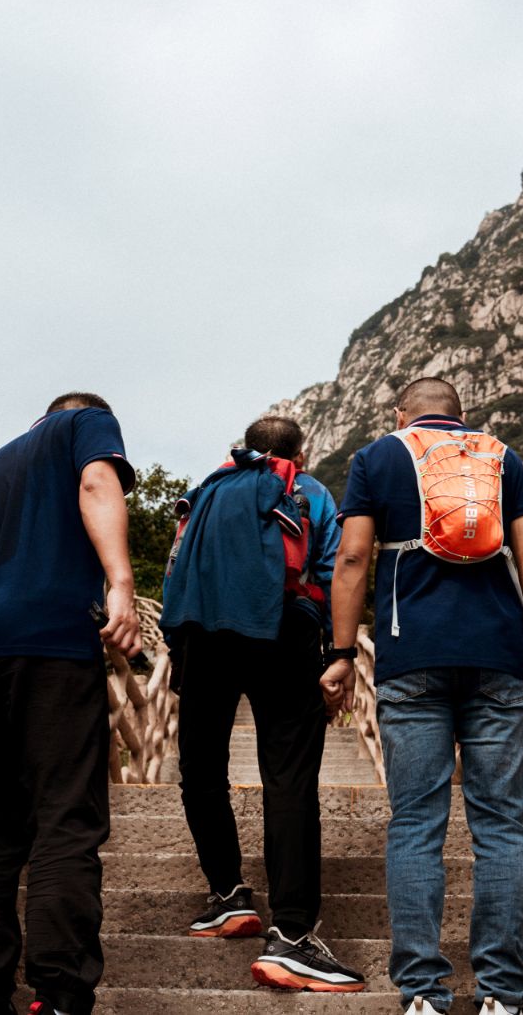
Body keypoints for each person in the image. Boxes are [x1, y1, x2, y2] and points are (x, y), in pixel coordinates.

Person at [324, 377, 523, 1015]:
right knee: (502, 826)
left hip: (412, 659)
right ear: (462, 415)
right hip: (498, 658)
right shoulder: (501, 456)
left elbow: (352, 559)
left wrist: (341, 653)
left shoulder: (377, 457)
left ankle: (425, 995)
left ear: (401, 414)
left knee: (416, 825)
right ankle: (502, 996)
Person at [0, 392, 141, 1015]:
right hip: (51, 646)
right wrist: (121, 584)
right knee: (65, 819)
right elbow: (95, 483)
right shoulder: (87, 422)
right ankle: (59, 993)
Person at [160, 414, 366, 992]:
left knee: (202, 769)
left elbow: (176, 569)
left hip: (204, 633)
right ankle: (292, 936)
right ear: (301, 453)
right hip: (284, 629)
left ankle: (228, 896)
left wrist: (179, 652)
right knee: (289, 779)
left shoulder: (207, 489)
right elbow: (332, 568)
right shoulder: (311, 492)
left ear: (243, 449)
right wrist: (338, 653)